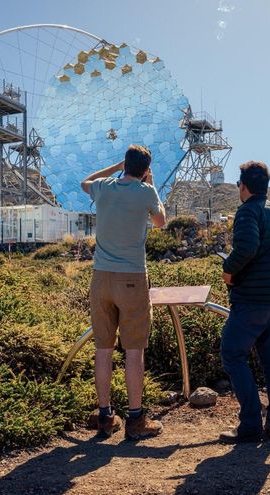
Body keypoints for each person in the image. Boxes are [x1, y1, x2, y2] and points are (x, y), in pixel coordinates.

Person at [80, 144, 167, 440]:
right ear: (145, 170)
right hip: (131, 277)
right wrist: (150, 185)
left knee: (103, 349)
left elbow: (84, 182)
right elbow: (160, 221)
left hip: (100, 277)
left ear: (124, 164)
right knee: (133, 350)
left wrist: (114, 169)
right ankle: (135, 419)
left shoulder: (103, 188)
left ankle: (104, 416)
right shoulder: (146, 192)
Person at [219, 161, 270, 444]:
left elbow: (247, 247)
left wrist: (228, 271)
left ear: (243, 186)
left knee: (232, 354)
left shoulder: (248, 211)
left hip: (251, 301)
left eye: (238, 185)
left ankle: (250, 424)